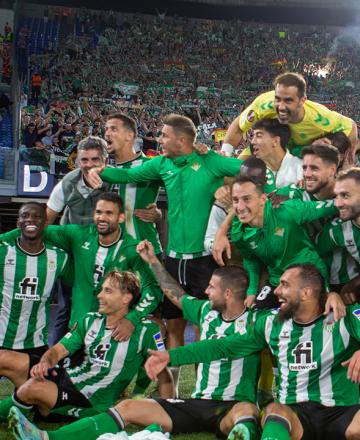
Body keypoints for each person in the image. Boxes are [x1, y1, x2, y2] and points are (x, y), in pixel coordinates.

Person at [11, 244, 264, 440]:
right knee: (129, 406)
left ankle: (242, 432)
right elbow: (173, 292)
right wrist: (153, 261)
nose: (206, 291)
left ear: (229, 293)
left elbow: (219, 348)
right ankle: (47, 436)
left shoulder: (256, 322)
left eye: (211, 287)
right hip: (198, 403)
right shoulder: (205, 312)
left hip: (232, 405)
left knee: (247, 413)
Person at [143, 264, 360, 440]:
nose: (276, 291)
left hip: (339, 414)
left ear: (307, 292)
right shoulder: (269, 322)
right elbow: (223, 346)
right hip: (293, 416)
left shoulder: (344, 314)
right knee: (274, 410)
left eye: (284, 285)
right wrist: (171, 356)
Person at [88, 113, 242, 395]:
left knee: (203, 328)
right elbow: (127, 174)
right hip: (172, 259)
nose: (159, 140)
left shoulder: (209, 161)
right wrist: (100, 170)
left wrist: (231, 190)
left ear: (182, 140)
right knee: (173, 327)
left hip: (203, 260)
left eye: (164, 136)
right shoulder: (161, 163)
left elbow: (250, 171)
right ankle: (169, 397)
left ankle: (201, 391)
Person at [2, 270, 172, 433]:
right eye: (101, 290)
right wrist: (46, 362)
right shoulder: (90, 320)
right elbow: (58, 350)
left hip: (90, 401)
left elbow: (163, 375)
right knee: (4, 357)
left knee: (32, 387)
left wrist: (168, 413)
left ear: (126, 298)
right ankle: (29, 404)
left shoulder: (146, 331)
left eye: (108, 291)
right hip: (66, 377)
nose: (99, 295)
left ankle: (24, 407)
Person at [0, 192, 162, 339]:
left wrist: (131, 320)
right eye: (98, 212)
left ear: (120, 217)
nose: (102, 218)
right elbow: (35, 229)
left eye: (109, 213)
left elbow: (153, 289)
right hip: (78, 330)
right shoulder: (78, 235)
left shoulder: (132, 249)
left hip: (112, 332)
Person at [0, 202, 70, 415]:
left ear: (45, 222)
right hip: (1, 338)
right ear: (18, 222)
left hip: (35, 343)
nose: (30, 220)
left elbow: (80, 288)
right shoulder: (3, 252)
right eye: (25, 216)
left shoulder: (59, 257)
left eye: (37, 216)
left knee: (46, 411)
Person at [228, 175, 339, 309]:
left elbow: (329, 206)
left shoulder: (285, 210)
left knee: (310, 319)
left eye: (247, 199)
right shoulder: (237, 231)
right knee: (257, 317)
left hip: (308, 277)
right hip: (277, 280)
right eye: (235, 200)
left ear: (262, 199)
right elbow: (250, 259)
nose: (240, 207)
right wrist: (252, 290)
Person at [221, 72, 357, 158]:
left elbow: (351, 127)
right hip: (270, 148)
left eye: (288, 101)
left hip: (301, 154)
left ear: (302, 100)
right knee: (237, 173)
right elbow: (239, 126)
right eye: (278, 99)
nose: (281, 106)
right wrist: (225, 153)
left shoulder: (320, 117)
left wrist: (347, 163)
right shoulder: (265, 104)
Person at [103, 113, 162, 254]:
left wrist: (159, 214)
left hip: (145, 253)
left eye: (113, 129)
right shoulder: (106, 171)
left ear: (129, 136)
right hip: (112, 254)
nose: (107, 133)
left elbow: (182, 192)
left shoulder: (150, 165)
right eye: (106, 129)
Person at [250, 118, 302, 189]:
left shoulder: (301, 167)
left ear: (275, 141)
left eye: (258, 136)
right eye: (253, 136)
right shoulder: (254, 171)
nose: (253, 142)